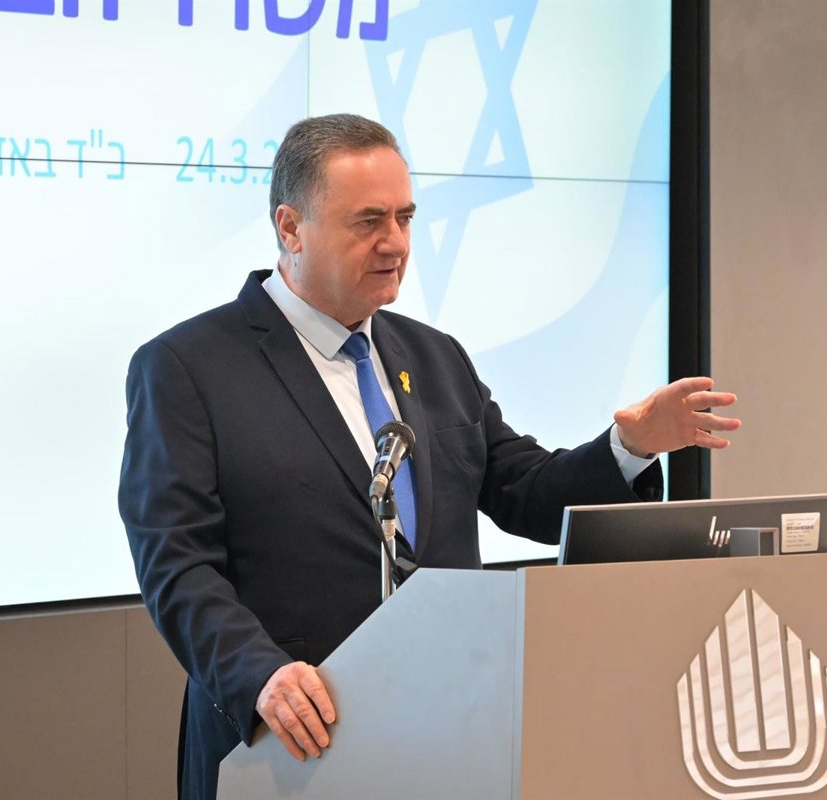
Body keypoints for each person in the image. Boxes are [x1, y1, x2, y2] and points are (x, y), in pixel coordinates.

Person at [118, 113, 739, 800]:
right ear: (291, 228)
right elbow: (177, 563)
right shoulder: (188, 368)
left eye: (405, 218)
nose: (396, 243)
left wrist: (631, 446)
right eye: (368, 222)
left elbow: (525, 492)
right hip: (290, 744)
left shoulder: (433, 356)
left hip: (444, 730)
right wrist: (258, 672)